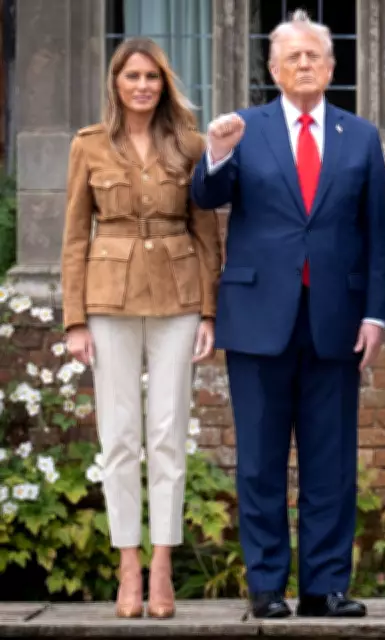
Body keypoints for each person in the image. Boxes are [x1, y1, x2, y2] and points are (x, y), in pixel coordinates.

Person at [190, 10, 385, 619]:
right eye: (293, 57)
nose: (304, 65)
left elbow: (376, 234)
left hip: (336, 317)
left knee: (330, 460)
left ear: (332, 68)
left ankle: (325, 586)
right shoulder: (243, 129)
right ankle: (267, 586)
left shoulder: (359, 135)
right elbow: (205, 196)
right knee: (259, 459)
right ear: (274, 69)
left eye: (315, 56)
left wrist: (376, 314)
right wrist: (216, 153)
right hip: (258, 318)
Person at [60, 38, 222, 619]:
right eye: (132, 76)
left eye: (152, 76)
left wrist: (209, 311)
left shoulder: (189, 145)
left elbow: (207, 234)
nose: (142, 86)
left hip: (177, 299)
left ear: (164, 83)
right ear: (116, 82)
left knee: (169, 436)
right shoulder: (89, 146)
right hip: (109, 300)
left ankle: (161, 566)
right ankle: (127, 564)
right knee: (121, 437)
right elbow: (76, 234)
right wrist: (74, 319)